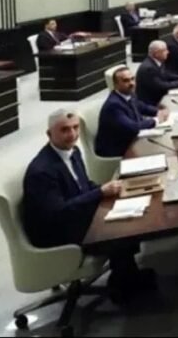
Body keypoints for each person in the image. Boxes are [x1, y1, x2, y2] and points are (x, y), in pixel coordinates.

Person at [22, 109, 155, 303]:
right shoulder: (42, 171)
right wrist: (99, 193)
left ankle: (127, 275)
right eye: (64, 130)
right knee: (119, 231)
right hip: (56, 233)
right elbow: (58, 212)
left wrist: (105, 189)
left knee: (127, 216)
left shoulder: (73, 152)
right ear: (49, 134)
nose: (72, 134)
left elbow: (83, 186)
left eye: (75, 128)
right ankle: (124, 286)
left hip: (74, 216)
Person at [95, 66, 169, 158]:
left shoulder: (129, 94)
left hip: (131, 140)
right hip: (117, 150)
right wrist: (156, 120)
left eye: (132, 79)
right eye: (126, 81)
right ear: (116, 85)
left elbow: (142, 107)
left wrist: (159, 111)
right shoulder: (113, 105)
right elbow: (133, 127)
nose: (131, 83)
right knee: (157, 153)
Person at [135, 40, 178, 107]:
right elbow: (161, 86)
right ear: (156, 53)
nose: (168, 52)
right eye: (165, 50)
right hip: (151, 104)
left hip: (159, 97)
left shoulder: (156, 61)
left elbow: (165, 74)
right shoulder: (149, 68)